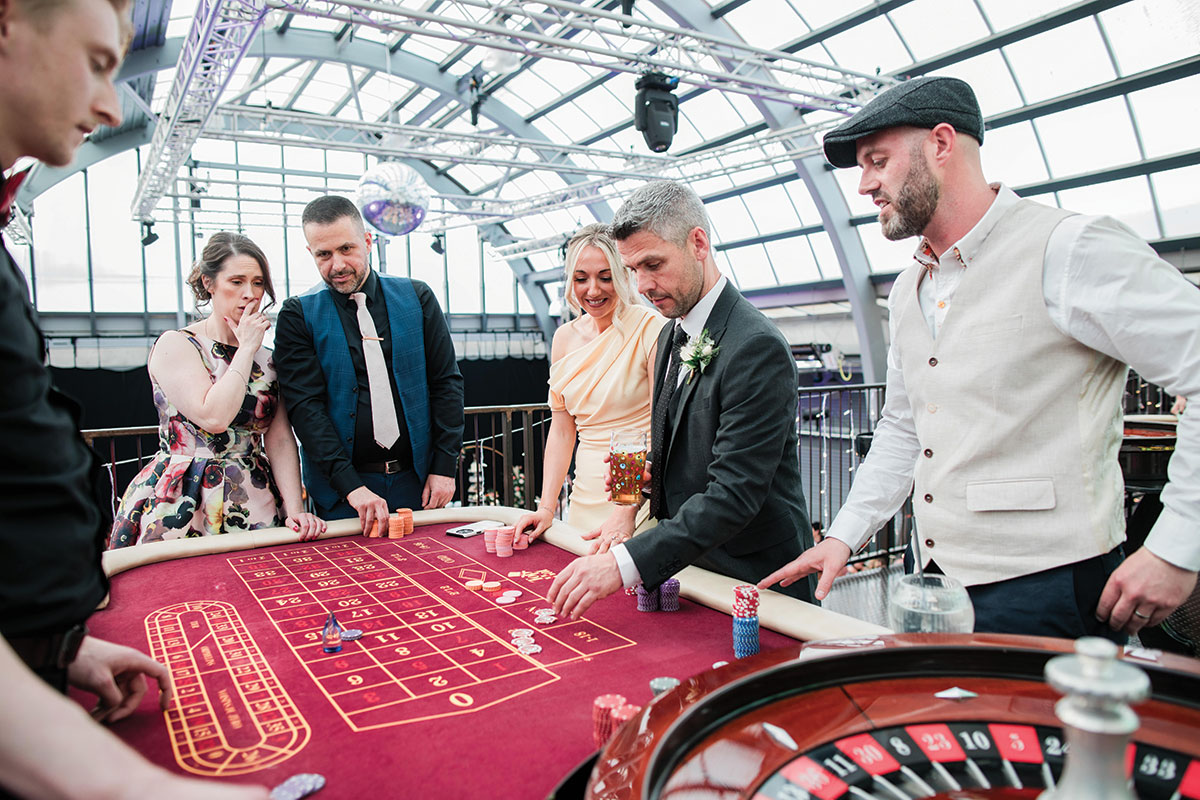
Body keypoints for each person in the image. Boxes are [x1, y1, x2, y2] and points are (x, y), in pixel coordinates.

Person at [760, 76, 1200, 639]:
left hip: (1053, 589)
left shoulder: (1069, 248)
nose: (866, 184)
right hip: (931, 583)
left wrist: (1175, 547)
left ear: (941, 144)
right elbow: (902, 428)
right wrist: (843, 536)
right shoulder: (906, 287)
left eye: (877, 160)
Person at [0, 0, 268, 794]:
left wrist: (55, 646)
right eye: (96, 62)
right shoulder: (179, 343)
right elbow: (214, 416)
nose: (115, 107)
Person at [548, 180, 817, 619]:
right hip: (695, 570)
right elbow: (660, 446)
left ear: (698, 243)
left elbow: (733, 494)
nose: (643, 285)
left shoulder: (756, 346)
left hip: (758, 580)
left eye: (653, 264)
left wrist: (622, 564)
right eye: (633, 270)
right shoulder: (673, 330)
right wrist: (625, 504)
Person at [108, 232, 325, 547]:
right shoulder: (177, 344)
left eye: (258, 283)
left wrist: (295, 510)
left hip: (254, 494)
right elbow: (214, 417)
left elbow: (278, 438)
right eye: (236, 282)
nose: (250, 294)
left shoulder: (268, 359)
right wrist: (247, 349)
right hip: (183, 497)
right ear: (209, 283)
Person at [274, 195, 465, 539]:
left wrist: (444, 467)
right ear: (311, 254)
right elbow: (306, 409)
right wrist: (352, 488)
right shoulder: (297, 314)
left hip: (419, 482)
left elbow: (446, 384)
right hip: (341, 493)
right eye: (324, 254)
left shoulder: (418, 297)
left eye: (346, 249)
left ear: (367, 241)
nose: (337, 265)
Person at [514, 223, 665, 541]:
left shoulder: (651, 327)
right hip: (583, 497)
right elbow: (562, 430)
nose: (593, 290)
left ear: (624, 276)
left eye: (605, 277)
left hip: (637, 497)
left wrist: (627, 506)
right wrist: (546, 507)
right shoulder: (563, 337)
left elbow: (663, 426)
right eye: (581, 278)